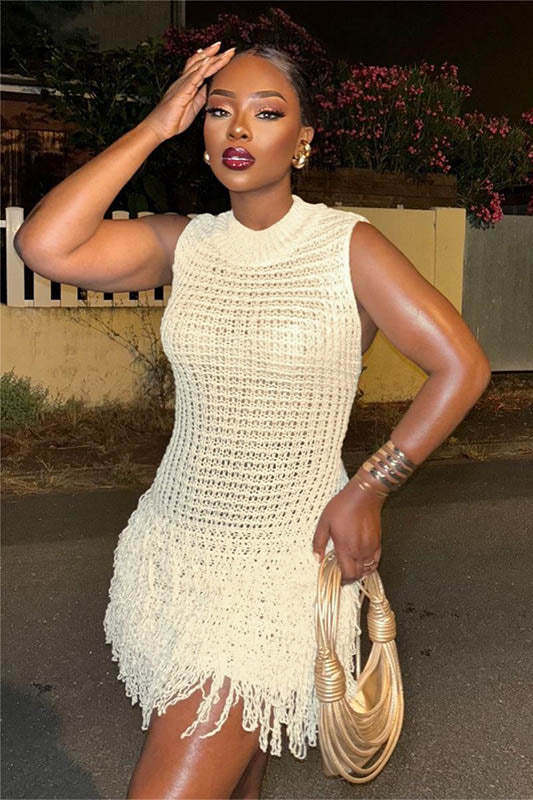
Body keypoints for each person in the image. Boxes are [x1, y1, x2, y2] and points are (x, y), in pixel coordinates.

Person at [14, 41, 491, 799]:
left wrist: (370, 487)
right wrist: (154, 125)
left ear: (303, 138)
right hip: (174, 547)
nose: (238, 129)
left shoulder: (345, 246)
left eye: (266, 113)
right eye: (219, 111)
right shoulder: (187, 245)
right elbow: (42, 244)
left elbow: (461, 366)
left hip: (278, 560)